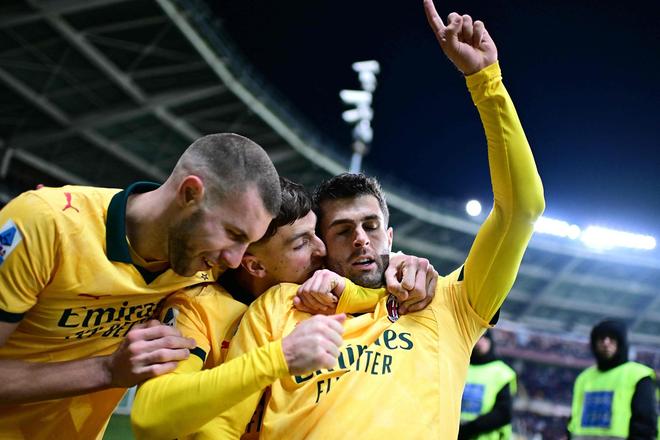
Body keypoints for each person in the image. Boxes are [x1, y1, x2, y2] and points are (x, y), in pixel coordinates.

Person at [214, 1, 545, 437]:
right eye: (342, 230)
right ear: (321, 246)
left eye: (370, 226)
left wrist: (486, 81)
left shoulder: (452, 303)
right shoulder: (281, 308)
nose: (360, 239)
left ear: (390, 235)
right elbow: (224, 424)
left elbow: (521, 210)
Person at [0, 133, 281, 439]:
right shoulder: (46, 224)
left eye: (248, 243)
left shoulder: (205, 266)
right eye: (233, 234)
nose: (235, 259)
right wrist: (107, 370)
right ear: (189, 193)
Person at [130, 177, 438, 439]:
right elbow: (151, 413)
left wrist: (397, 264)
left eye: (317, 234)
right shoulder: (199, 306)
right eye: (302, 243)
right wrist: (280, 358)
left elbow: (368, 283)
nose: (321, 249)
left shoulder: (317, 293)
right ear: (255, 266)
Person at [567, 319, 658, 439]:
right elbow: (573, 420)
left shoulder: (639, 375)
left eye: (612, 338)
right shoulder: (584, 378)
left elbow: (645, 422)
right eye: (601, 338)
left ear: (621, 343)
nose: (606, 343)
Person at [459, 332, 517, 440]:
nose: (479, 341)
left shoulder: (501, 373)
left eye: (483, 337)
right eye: (477, 337)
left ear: (490, 341)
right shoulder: (460, 367)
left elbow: (503, 413)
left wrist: (469, 428)